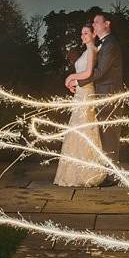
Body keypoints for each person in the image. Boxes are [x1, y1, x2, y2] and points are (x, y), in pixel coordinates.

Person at [70, 11, 123, 187]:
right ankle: (104, 171)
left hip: (108, 95)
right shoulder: (104, 45)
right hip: (100, 94)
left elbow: (101, 73)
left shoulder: (110, 44)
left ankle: (112, 175)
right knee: (102, 135)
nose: (94, 25)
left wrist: (77, 80)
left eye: (96, 22)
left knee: (109, 135)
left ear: (106, 24)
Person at [53, 24, 107, 187]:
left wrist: (70, 76)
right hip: (79, 93)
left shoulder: (92, 50)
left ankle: (86, 173)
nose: (82, 36)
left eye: (86, 33)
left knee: (84, 129)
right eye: (81, 33)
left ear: (93, 35)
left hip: (86, 94)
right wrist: (72, 83)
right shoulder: (85, 51)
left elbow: (89, 73)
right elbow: (82, 75)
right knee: (77, 130)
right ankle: (74, 172)